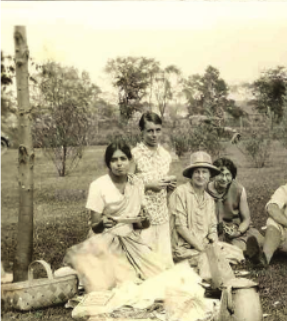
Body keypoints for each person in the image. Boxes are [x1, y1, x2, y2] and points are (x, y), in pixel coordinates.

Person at [64, 142, 165, 291]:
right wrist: (103, 223)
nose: (119, 164)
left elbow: (140, 225)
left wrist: (144, 220)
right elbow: (95, 226)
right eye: (114, 160)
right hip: (105, 239)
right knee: (115, 283)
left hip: (132, 240)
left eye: (123, 159)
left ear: (130, 161)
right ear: (108, 163)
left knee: (158, 275)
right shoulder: (98, 185)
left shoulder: (137, 183)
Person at [170, 152, 244, 280]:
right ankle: (202, 271)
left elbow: (212, 227)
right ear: (191, 175)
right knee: (206, 261)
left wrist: (215, 245)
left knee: (237, 254)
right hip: (185, 247)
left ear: (210, 176)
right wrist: (202, 249)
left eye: (204, 172)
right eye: (197, 172)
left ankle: (204, 265)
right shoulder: (181, 192)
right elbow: (180, 227)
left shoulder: (209, 198)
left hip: (204, 245)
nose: (200, 176)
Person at [132, 112, 176, 269]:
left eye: (158, 130)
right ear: (141, 131)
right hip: (141, 212)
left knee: (163, 262)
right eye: (149, 130)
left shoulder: (165, 155)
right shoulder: (134, 155)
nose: (154, 135)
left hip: (161, 211)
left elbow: (163, 183)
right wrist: (150, 185)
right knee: (145, 261)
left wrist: (169, 186)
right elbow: (126, 186)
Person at [206, 157, 265, 256]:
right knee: (215, 247)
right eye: (220, 174)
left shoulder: (238, 189)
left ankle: (244, 249)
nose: (224, 179)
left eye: (228, 175)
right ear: (213, 175)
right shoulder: (204, 190)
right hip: (212, 230)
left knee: (257, 240)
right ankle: (241, 251)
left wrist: (238, 232)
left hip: (235, 229)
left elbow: (246, 219)